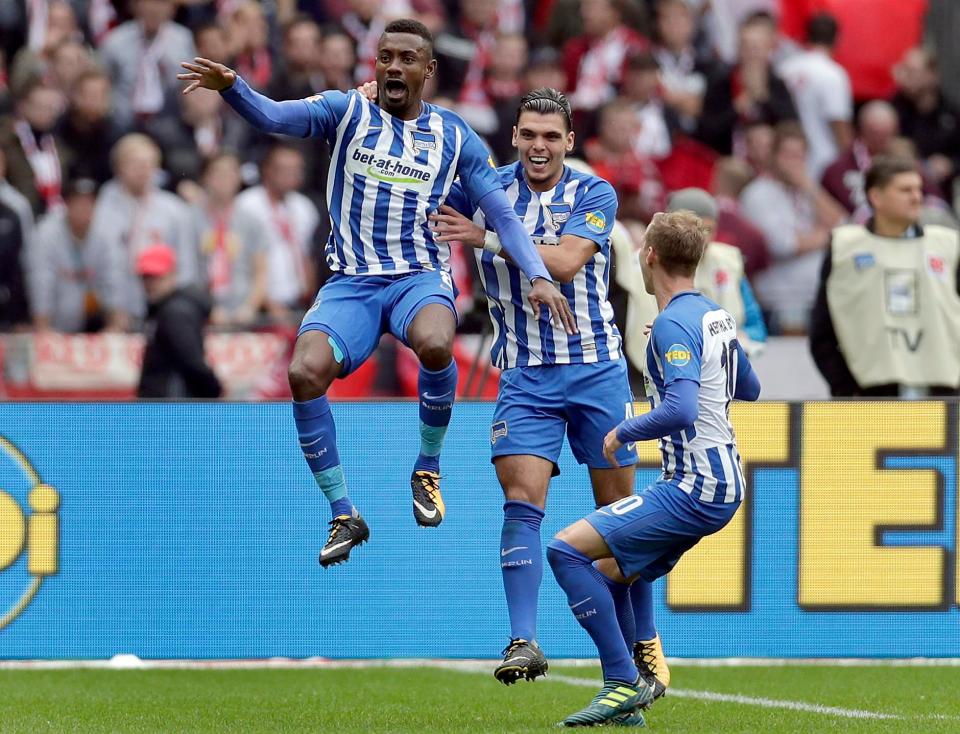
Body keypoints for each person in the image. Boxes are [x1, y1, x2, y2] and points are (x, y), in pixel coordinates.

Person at [177, 19, 574, 567]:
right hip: (353, 283)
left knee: (437, 342)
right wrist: (232, 87)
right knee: (303, 372)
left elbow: (502, 213)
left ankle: (428, 467)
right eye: (385, 56)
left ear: (427, 71)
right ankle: (343, 512)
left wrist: (537, 274)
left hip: (418, 276)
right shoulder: (346, 111)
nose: (393, 66)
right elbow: (272, 116)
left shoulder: (454, 135)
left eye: (407, 58)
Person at [427, 88, 667, 697]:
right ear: (513, 136)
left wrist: (482, 240)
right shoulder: (484, 189)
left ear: (569, 142)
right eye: (529, 135)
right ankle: (523, 639)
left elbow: (562, 264)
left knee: (619, 520)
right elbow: (420, 207)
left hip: (596, 370)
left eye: (551, 137)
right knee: (520, 498)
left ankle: (643, 636)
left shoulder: (593, 192)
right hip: (525, 375)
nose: (539, 146)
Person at [545, 210, 761, 727]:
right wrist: (684, 358)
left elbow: (682, 411)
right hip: (723, 482)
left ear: (650, 256)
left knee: (563, 551)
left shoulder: (673, 324)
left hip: (695, 486)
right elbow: (749, 388)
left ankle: (623, 681)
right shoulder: (713, 316)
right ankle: (629, 700)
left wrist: (625, 430)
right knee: (613, 572)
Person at [810, 156, 960, 397]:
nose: (917, 197)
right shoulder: (846, 248)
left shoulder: (947, 245)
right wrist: (846, 388)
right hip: (871, 394)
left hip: (943, 392)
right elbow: (823, 331)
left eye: (918, 189)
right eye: (905, 190)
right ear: (876, 197)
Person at [136, 243, 223, 399]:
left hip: (171, 406)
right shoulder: (162, 309)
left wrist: (214, 391)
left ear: (172, 274)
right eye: (146, 277)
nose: (150, 283)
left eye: (156, 276)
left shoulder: (174, 313)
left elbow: (193, 363)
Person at [777, 13, 853, 181]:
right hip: (823, 160)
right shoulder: (832, 74)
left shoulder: (785, 68)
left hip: (785, 156)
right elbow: (838, 122)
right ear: (837, 39)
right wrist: (850, 163)